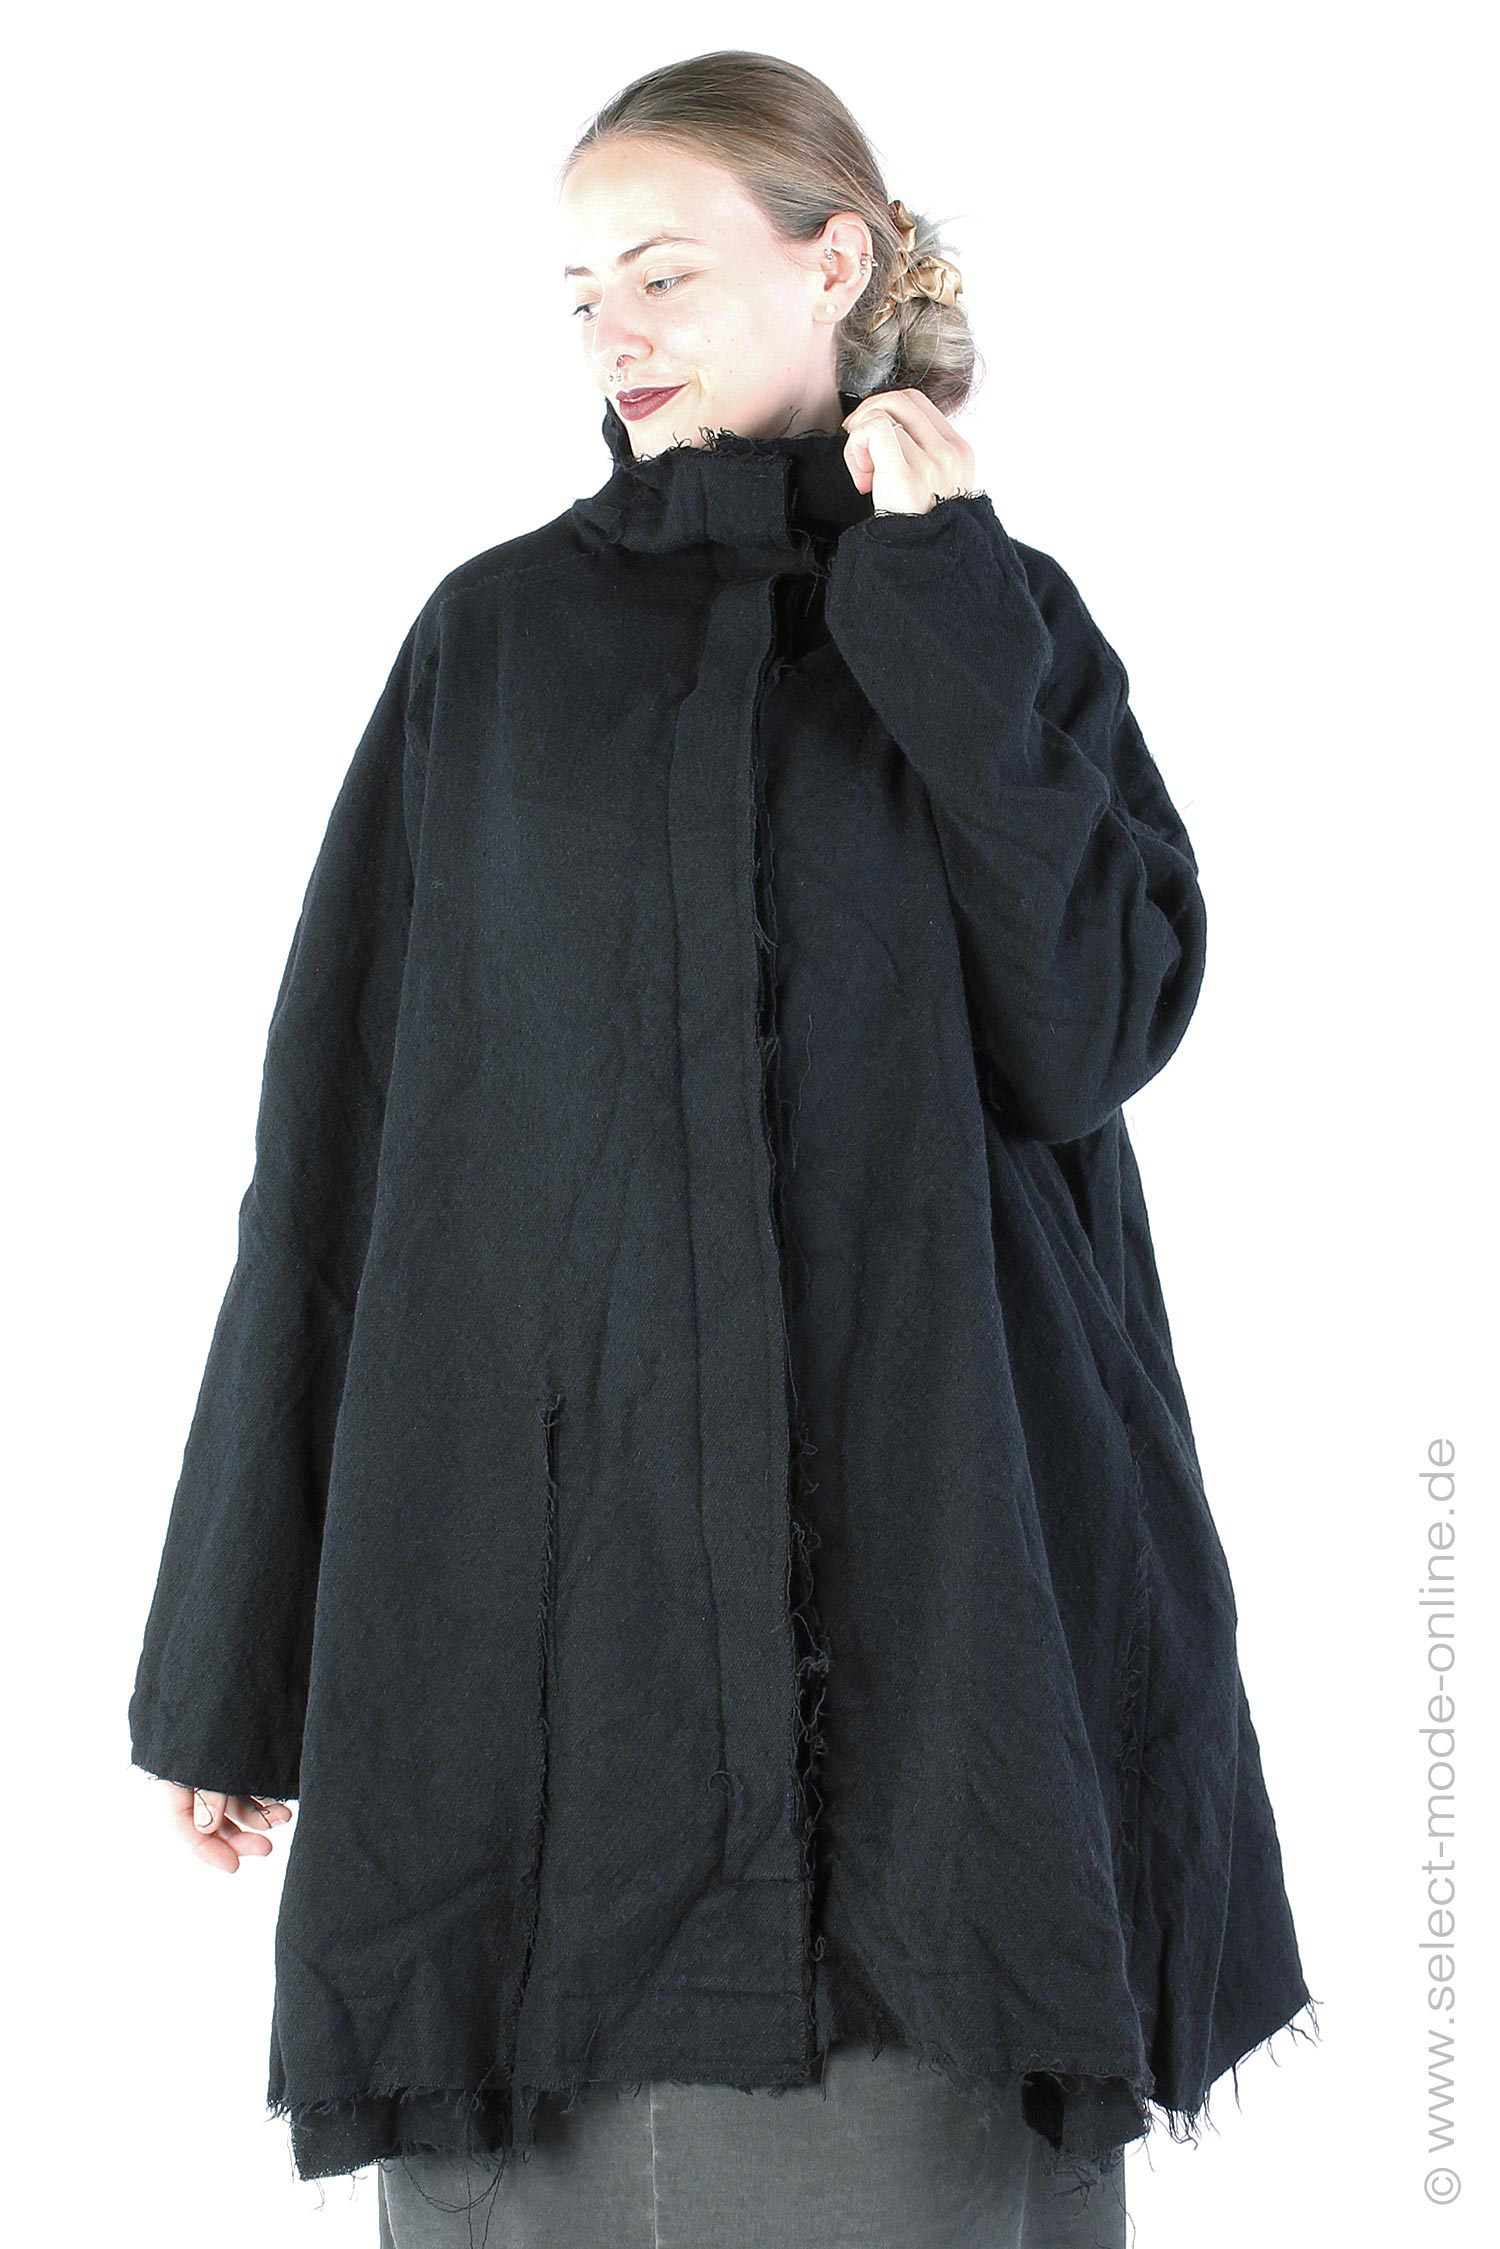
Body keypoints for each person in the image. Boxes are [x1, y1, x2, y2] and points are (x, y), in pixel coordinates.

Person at [132, 46, 1315, 2249]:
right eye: (582, 294)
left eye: (664, 273)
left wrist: (939, 588)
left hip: (947, 1616)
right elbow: (335, 1165)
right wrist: (239, 1656)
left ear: (835, 259)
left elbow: (1093, 1027)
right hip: (540, 1656)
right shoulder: (495, 648)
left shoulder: (998, 617)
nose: (616, 333)